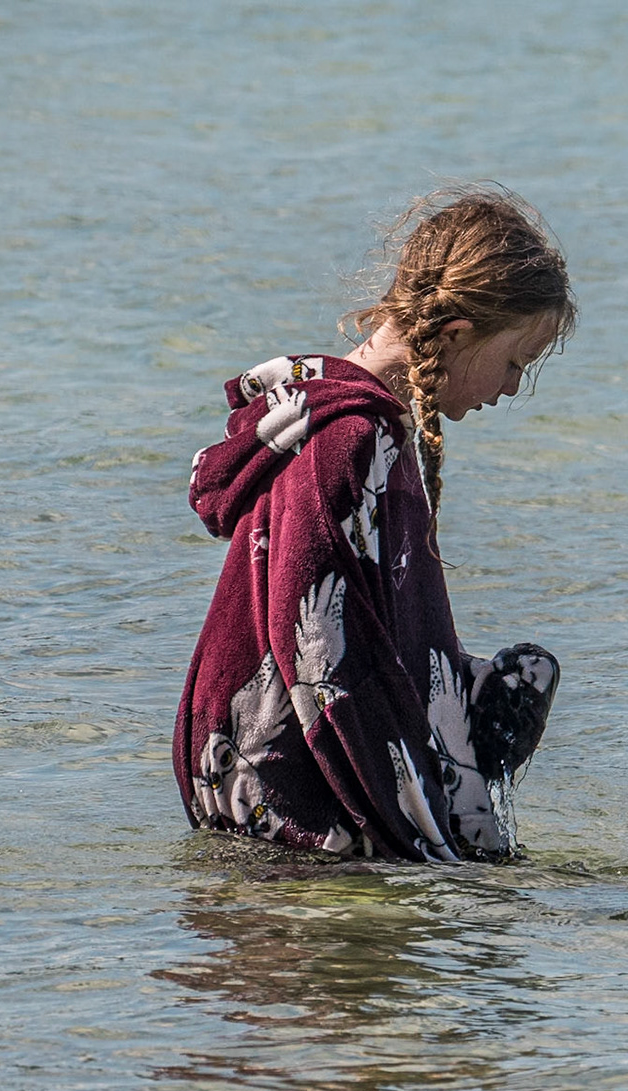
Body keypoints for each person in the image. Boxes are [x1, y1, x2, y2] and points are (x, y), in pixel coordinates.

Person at [172, 185, 575, 862]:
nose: (509, 389)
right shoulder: (352, 438)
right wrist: (420, 829)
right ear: (455, 334)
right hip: (300, 803)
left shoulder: (326, 414)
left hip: (257, 780)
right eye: (514, 363)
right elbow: (316, 645)